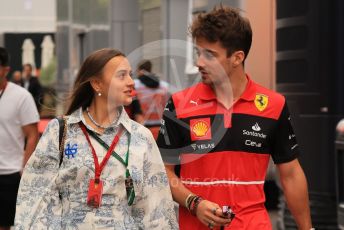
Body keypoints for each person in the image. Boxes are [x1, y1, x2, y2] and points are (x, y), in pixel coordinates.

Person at [157, 6, 313, 230]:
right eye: (198, 53)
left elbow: (290, 174)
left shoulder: (273, 104)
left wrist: (307, 228)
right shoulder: (179, 104)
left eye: (210, 54)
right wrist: (194, 203)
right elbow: (163, 171)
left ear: (237, 58)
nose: (200, 62)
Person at [15, 48, 178, 229]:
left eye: (130, 75)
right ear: (97, 84)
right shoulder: (60, 132)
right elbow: (35, 197)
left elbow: (157, 207)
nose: (131, 82)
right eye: (121, 76)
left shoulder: (141, 137)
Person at [0, 47, 39, 230]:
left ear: (5, 69)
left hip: (9, 173)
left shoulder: (21, 97)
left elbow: (32, 135)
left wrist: (24, 169)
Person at [134, 59, 170, 139]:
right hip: (159, 123)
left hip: (141, 124)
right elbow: (167, 105)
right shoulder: (164, 86)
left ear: (140, 70)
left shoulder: (135, 85)